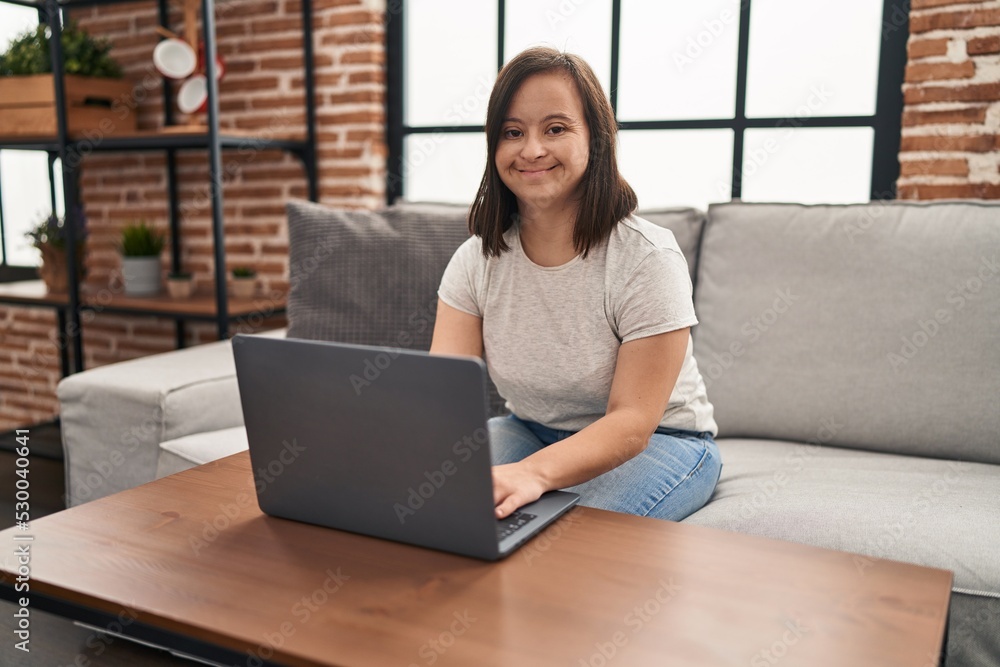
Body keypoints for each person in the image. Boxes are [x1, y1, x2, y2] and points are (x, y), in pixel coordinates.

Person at [430, 46, 721, 523]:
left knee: (561, 539)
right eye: (512, 132)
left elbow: (632, 423)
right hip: (529, 429)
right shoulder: (474, 261)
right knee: (435, 499)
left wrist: (533, 474)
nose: (531, 150)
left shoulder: (648, 258)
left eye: (556, 129)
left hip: (664, 441)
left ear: (596, 139)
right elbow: (441, 395)